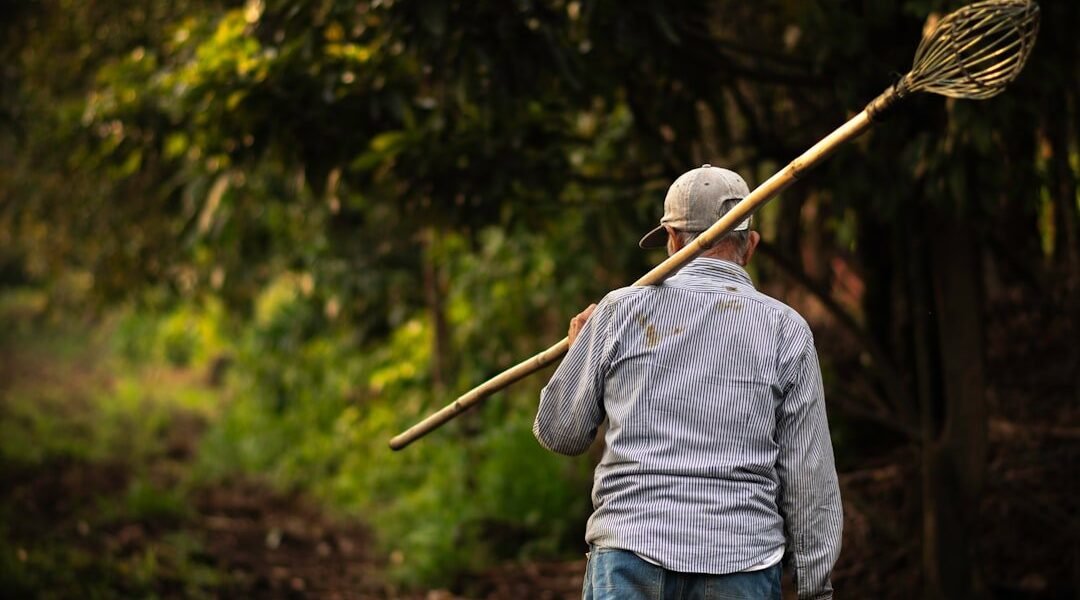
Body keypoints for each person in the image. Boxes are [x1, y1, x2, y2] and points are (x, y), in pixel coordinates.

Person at [533, 165, 843, 600]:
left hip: (628, 555)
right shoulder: (786, 331)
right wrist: (816, 589)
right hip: (742, 563)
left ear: (672, 240)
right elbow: (809, 479)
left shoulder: (618, 312)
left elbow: (559, 432)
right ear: (750, 244)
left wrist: (577, 355)